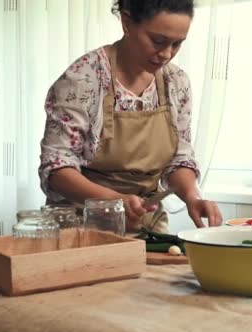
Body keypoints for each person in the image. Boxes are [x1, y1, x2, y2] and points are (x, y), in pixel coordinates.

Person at [39, 0, 222, 233]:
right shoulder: (84, 78)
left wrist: (193, 197)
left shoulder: (175, 82)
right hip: (81, 225)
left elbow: (179, 160)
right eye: (158, 41)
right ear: (126, 22)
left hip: (146, 224)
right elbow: (56, 168)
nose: (166, 54)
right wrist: (114, 202)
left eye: (177, 44)